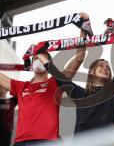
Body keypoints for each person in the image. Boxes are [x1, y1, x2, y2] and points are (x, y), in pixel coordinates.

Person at [0, 12, 88, 146]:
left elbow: (79, 58)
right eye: (36, 57)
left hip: (46, 141)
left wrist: (83, 28)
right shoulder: (21, 86)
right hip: (20, 142)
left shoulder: (56, 82)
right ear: (31, 64)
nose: (38, 60)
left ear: (48, 63)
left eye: (42, 58)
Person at [36, 43, 114, 136]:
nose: (105, 68)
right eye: (101, 65)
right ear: (92, 71)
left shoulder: (112, 89)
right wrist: (39, 55)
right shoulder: (79, 93)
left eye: (108, 67)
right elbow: (58, 76)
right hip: (81, 140)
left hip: (105, 140)